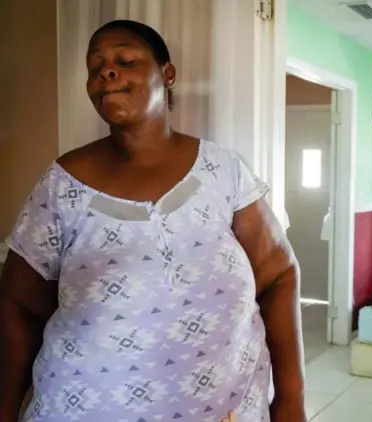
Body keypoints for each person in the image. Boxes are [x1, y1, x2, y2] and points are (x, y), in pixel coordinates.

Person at [0, 20, 306, 422]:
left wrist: (290, 400)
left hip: (223, 409)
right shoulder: (62, 185)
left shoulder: (223, 172)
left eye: (125, 60)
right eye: (96, 67)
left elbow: (279, 275)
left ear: (167, 73)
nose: (106, 73)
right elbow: (20, 305)